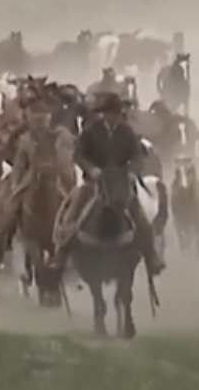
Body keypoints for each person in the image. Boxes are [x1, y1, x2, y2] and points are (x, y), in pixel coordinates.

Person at [48, 93, 165, 275]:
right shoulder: (91, 131)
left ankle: (151, 256)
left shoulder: (127, 131)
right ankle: (60, 254)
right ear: (103, 114)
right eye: (110, 113)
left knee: (139, 215)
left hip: (120, 181)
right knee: (74, 211)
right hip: (94, 182)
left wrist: (131, 171)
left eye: (116, 113)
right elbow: (79, 154)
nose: (113, 116)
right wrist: (91, 168)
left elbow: (137, 155)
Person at [0, 101, 76, 244]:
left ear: (48, 119)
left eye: (41, 120)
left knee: (70, 202)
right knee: (12, 201)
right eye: (35, 120)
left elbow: (66, 159)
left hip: (57, 174)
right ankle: (7, 232)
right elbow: (20, 163)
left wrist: (62, 171)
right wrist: (15, 183)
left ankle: (70, 236)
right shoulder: (26, 139)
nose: (38, 124)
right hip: (32, 174)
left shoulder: (61, 136)